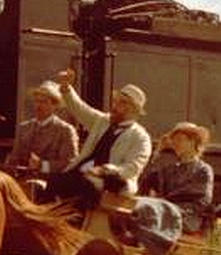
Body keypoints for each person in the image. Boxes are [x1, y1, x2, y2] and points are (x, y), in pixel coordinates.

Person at [41, 69, 152, 208]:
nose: (115, 106)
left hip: (113, 182)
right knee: (54, 181)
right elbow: (79, 109)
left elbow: (133, 168)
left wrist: (104, 170)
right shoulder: (102, 121)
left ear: (134, 109)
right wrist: (65, 88)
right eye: (115, 101)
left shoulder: (141, 137)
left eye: (122, 103)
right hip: (82, 174)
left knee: (87, 185)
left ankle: (79, 224)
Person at [129, 122, 215, 255]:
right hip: (164, 209)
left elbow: (203, 199)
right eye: (174, 141)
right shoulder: (169, 169)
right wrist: (157, 152)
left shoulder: (203, 170)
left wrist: (166, 202)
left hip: (188, 215)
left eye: (180, 140)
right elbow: (145, 179)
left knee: (152, 207)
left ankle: (157, 248)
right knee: (136, 205)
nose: (175, 144)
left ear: (193, 142)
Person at [5, 80, 79, 175]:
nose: (38, 106)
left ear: (55, 105)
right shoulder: (24, 128)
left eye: (44, 102)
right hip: (22, 180)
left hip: (51, 183)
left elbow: (70, 163)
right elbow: (14, 158)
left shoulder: (65, 130)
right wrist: (10, 164)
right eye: (36, 101)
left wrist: (42, 165)